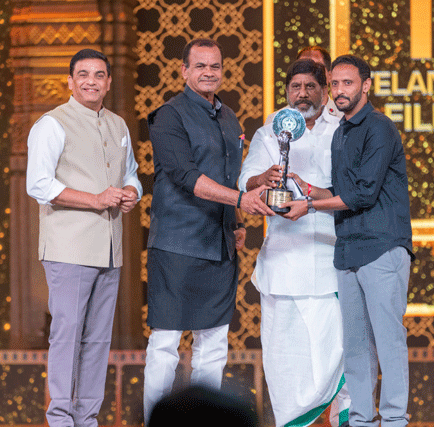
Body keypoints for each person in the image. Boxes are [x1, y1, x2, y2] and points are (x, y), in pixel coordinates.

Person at [143, 38, 274, 424]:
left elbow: (230, 176)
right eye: (200, 66)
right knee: (165, 343)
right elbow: (185, 176)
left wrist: (237, 219)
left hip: (219, 246)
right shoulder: (168, 116)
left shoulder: (229, 117)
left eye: (214, 66)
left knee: (214, 344)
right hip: (177, 243)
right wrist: (240, 200)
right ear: (184, 70)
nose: (208, 73)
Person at [280, 54, 414, 427]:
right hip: (348, 250)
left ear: (366, 85)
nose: (340, 90)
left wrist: (309, 205)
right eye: (335, 84)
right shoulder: (342, 132)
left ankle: (394, 420)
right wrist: (308, 190)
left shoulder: (379, 128)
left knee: (388, 341)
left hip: (382, 248)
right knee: (355, 346)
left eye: (348, 83)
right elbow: (341, 192)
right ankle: (360, 419)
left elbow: (363, 194)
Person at [25, 48, 142, 427]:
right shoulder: (51, 124)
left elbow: (131, 173)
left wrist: (132, 191)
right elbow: (38, 184)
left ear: (108, 82)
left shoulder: (118, 125)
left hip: (109, 249)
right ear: (70, 82)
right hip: (69, 248)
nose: (91, 81)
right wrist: (95, 199)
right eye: (83, 74)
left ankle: (87, 418)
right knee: (67, 335)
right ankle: (60, 418)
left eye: (99, 75)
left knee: (98, 339)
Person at [239, 59, 350, 427]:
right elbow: (245, 181)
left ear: (324, 91)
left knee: (337, 353)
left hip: (331, 260)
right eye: (295, 87)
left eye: (310, 87)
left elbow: (353, 189)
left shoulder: (343, 128)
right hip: (283, 264)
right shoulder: (271, 130)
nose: (302, 94)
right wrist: (262, 179)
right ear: (286, 91)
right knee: (285, 360)